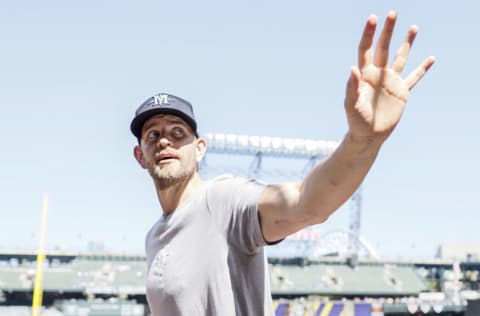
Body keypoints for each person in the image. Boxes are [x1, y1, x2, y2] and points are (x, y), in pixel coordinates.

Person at [130, 11, 435, 316]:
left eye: (177, 132)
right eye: (153, 134)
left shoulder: (221, 201)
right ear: (140, 156)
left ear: (199, 149)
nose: (165, 141)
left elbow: (307, 203)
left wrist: (362, 141)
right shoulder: (154, 236)